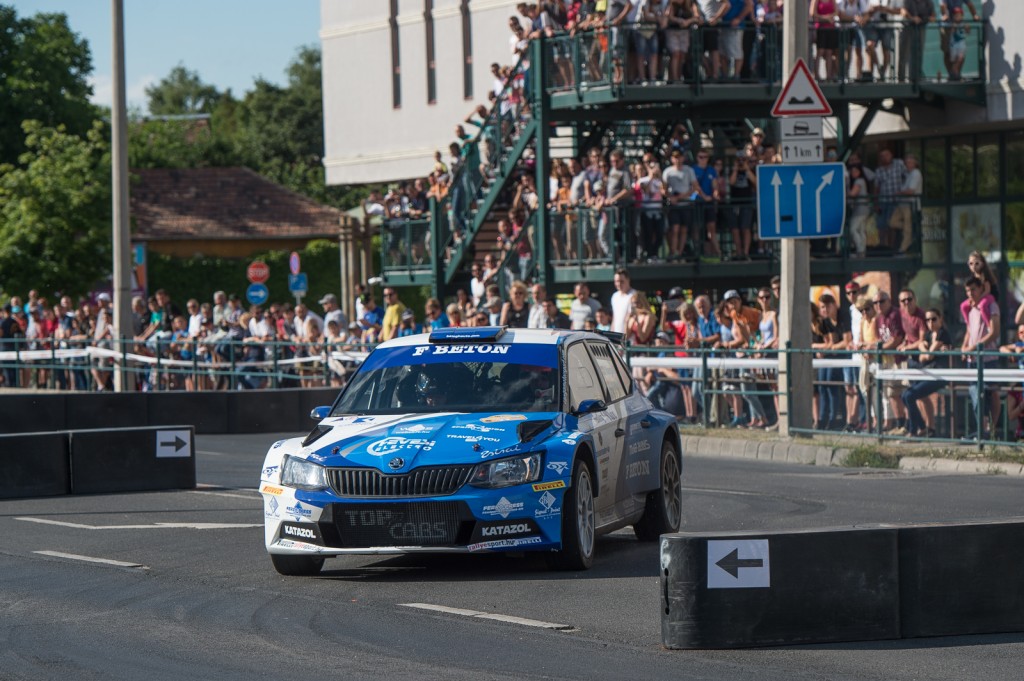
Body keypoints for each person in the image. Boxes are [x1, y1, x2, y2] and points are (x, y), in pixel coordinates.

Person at [901, 308, 951, 437]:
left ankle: (913, 431)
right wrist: (923, 348)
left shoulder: (942, 334)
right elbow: (923, 357)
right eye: (927, 320)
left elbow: (928, 356)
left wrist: (924, 349)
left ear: (940, 319)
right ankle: (922, 427)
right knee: (904, 395)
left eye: (934, 319)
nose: (930, 322)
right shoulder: (929, 335)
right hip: (928, 373)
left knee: (910, 396)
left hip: (940, 375)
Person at [961, 276, 1001, 439]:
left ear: (981, 289)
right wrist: (964, 347)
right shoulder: (971, 309)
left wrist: (974, 348)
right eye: (968, 290)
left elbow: (994, 332)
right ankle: (982, 432)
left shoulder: (991, 305)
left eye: (973, 289)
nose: (970, 293)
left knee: (990, 394)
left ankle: (991, 431)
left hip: (988, 359)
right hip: (972, 361)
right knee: (975, 395)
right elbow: (969, 331)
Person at [610, 268, 636, 333]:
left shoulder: (634, 295)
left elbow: (632, 317)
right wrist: (611, 333)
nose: (619, 284)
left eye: (621, 281)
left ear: (628, 280)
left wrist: (626, 335)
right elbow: (614, 317)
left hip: (629, 336)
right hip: (617, 336)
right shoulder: (614, 296)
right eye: (616, 281)